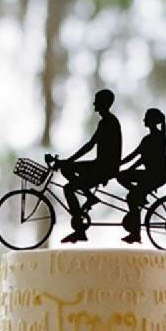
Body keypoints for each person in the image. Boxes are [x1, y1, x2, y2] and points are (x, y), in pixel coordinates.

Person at [56, 89, 122, 243]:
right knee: (67, 169)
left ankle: (80, 231)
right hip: (101, 165)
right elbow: (91, 145)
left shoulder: (108, 122)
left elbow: (90, 145)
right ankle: (90, 196)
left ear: (103, 103)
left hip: (104, 167)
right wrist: (69, 162)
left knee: (68, 188)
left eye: (96, 100)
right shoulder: (108, 121)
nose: (94, 103)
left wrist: (69, 160)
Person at [118, 107, 166, 244]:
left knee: (131, 197)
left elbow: (141, 159)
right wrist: (121, 167)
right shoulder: (148, 139)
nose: (144, 120)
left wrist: (126, 168)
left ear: (152, 120)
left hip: (157, 175)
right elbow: (136, 156)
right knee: (123, 179)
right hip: (150, 174)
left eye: (146, 117)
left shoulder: (158, 138)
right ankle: (140, 196)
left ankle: (135, 233)